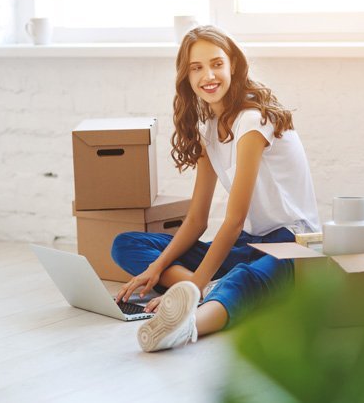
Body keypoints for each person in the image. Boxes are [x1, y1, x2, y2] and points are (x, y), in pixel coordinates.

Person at [112, 25, 319, 352]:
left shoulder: (252, 121)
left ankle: (188, 324)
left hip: (292, 242)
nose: (208, 75)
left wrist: (191, 280)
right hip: (248, 242)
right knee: (127, 245)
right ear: (187, 76)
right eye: (197, 67)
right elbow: (196, 219)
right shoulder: (208, 125)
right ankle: (210, 289)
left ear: (232, 65)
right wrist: (155, 269)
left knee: (243, 279)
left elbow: (234, 219)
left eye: (216, 64)